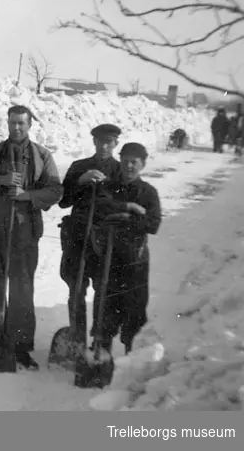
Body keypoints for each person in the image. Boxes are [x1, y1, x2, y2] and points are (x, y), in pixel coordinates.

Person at [0, 105, 62, 370]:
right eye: (12, 123)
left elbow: (55, 190)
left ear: (30, 125)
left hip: (24, 230)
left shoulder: (42, 155)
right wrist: (1, 180)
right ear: (7, 124)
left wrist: (27, 196)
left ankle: (21, 345)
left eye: (21, 123)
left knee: (22, 287)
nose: (16, 128)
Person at [91, 142, 162, 354]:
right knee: (105, 305)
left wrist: (123, 220)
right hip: (109, 258)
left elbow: (153, 224)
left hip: (135, 259)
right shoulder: (108, 187)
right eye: (125, 161)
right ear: (120, 162)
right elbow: (100, 207)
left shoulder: (148, 192)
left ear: (143, 164)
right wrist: (128, 208)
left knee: (135, 308)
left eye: (134, 162)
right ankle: (100, 353)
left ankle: (132, 356)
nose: (129, 166)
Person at [57, 123, 122, 350]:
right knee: (76, 287)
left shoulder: (121, 171)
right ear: (94, 142)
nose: (104, 146)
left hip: (106, 240)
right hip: (78, 236)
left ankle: (100, 341)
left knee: (104, 289)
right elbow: (63, 200)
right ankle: (76, 337)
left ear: (116, 144)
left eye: (109, 142)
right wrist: (81, 181)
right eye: (100, 141)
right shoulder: (79, 166)